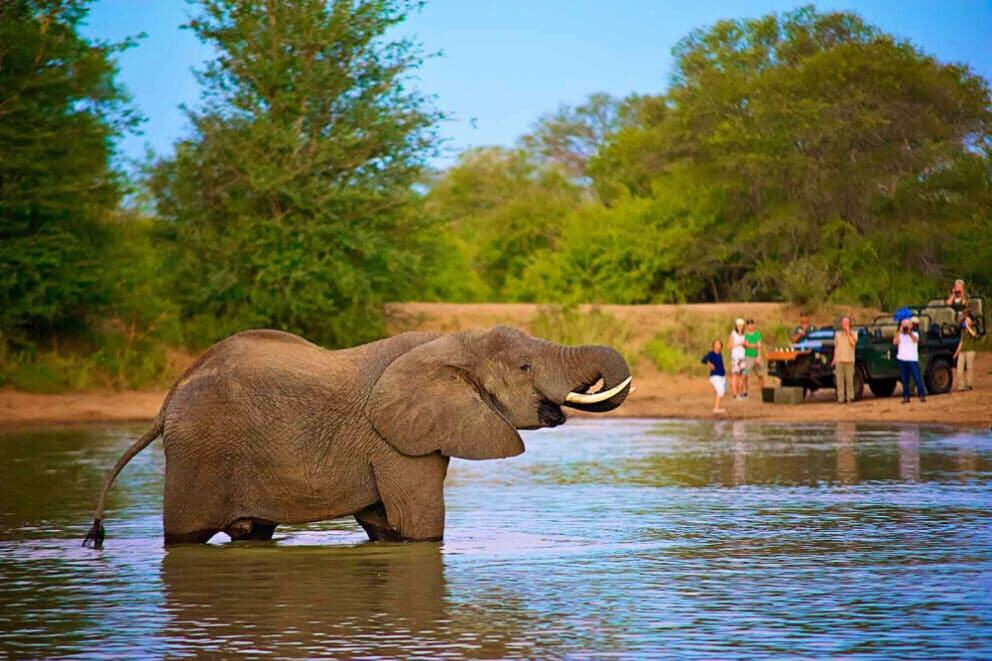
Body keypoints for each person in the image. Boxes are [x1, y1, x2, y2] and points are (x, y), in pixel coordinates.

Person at [893, 318, 926, 403]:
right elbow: (895, 342)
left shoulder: (915, 333)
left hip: (912, 359)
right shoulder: (899, 334)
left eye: (906, 325)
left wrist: (909, 333)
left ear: (911, 326)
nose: (905, 327)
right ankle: (906, 396)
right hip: (902, 359)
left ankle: (922, 395)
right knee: (904, 379)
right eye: (903, 325)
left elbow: (915, 340)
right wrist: (899, 332)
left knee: (917, 377)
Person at [832, 316, 857, 404]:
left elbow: (853, 343)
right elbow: (836, 347)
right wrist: (834, 359)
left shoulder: (854, 333)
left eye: (846, 323)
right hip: (839, 360)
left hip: (849, 360)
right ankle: (840, 399)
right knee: (839, 381)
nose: (844, 324)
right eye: (843, 323)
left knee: (849, 380)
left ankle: (850, 398)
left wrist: (848, 332)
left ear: (849, 324)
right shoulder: (837, 334)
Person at [701, 340, 727, 414]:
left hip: (722, 376)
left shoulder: (720, 354)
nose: (718, 345)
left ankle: (717, 407)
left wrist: (724, 374)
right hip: (715, 376)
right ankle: (716, 408)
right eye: (716, 344)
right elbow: (703, 360)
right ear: (713, 345)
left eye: (719, 344)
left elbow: (721, 365)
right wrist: (709, 364)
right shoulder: (711, 353)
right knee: (720, 391)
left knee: (723, 391)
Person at [955, 311, 977, 391]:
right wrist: (956, 353)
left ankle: (969, 384)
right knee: (959, 369)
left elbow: (974, 335)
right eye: (965, 321)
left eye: (968, 320)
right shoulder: (963, 331)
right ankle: (961, 385)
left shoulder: (973, 328)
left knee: (969, 368)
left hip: (970, 350)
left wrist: (968, 327)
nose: (966, 322)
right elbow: (961, 342)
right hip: (962, 351)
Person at [729, 318, 748, 400]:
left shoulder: (745, 335)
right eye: (739, 325)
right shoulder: (733, 334)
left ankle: (740, 393)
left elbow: (746, 346)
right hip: (735, 357)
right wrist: (740, 343)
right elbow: (729, 346)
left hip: (743, 357)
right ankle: (734, 394)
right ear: (736, 326)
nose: (740, 327)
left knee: (742, 376)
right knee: (735, 376)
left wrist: (745, 345)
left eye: (742, 325)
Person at [744, 319, 764, 391]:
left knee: (760, 374)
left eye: (752, 324)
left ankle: (762, 390)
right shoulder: (745, 334)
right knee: (745, 375)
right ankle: (745, 391)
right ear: (747, 326)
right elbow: (746, 345)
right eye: (749, 324)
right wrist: (756, 345)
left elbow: (759, 346)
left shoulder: (757, 333)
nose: (750, 326)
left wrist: (758, 356)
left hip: (757, 356)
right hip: (748, 356)